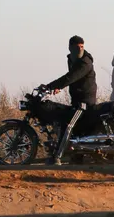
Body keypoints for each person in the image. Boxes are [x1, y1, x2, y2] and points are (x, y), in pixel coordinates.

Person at [40, 35, 98, 165]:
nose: (80, 49)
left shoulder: (85, 62)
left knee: (68, 126)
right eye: (77, 47)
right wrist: (57, 88)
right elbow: (72, 79)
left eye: (82, 47)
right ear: (70, 48)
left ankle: (57, 157)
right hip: (76, 98)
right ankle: (77, 157)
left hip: (85, 100)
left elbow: (71, 77)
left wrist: (52, 86)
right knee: (77, 129)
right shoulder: (72, 59)